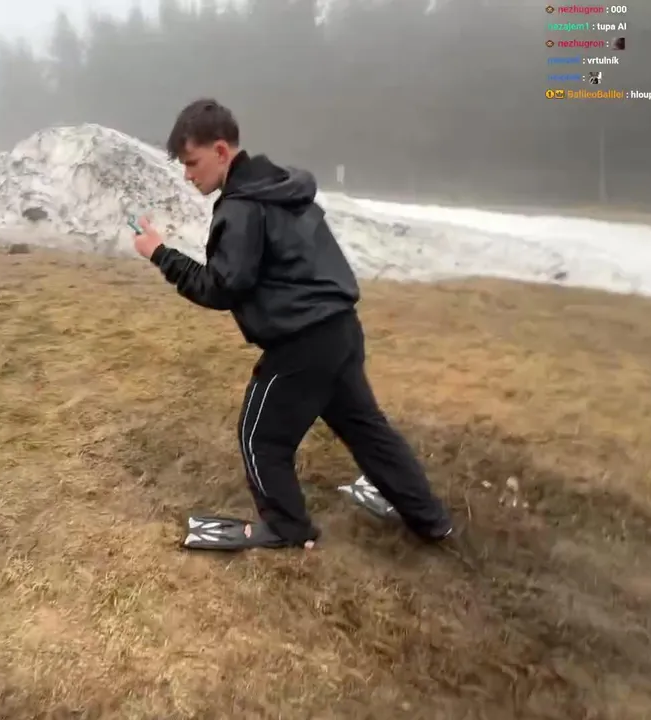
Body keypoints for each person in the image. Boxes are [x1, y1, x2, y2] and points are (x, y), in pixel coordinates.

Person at [131, 98, 454, 550]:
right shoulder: (280, 187)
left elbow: (222, 288)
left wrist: (160, 254)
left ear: (221, 151)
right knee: (366, 429)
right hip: (341, 328)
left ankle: (287, 527)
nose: (187, 175)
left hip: (303, 343)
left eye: (192, 163)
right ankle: (431, 520)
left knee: (259, 436)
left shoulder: (242, 207)